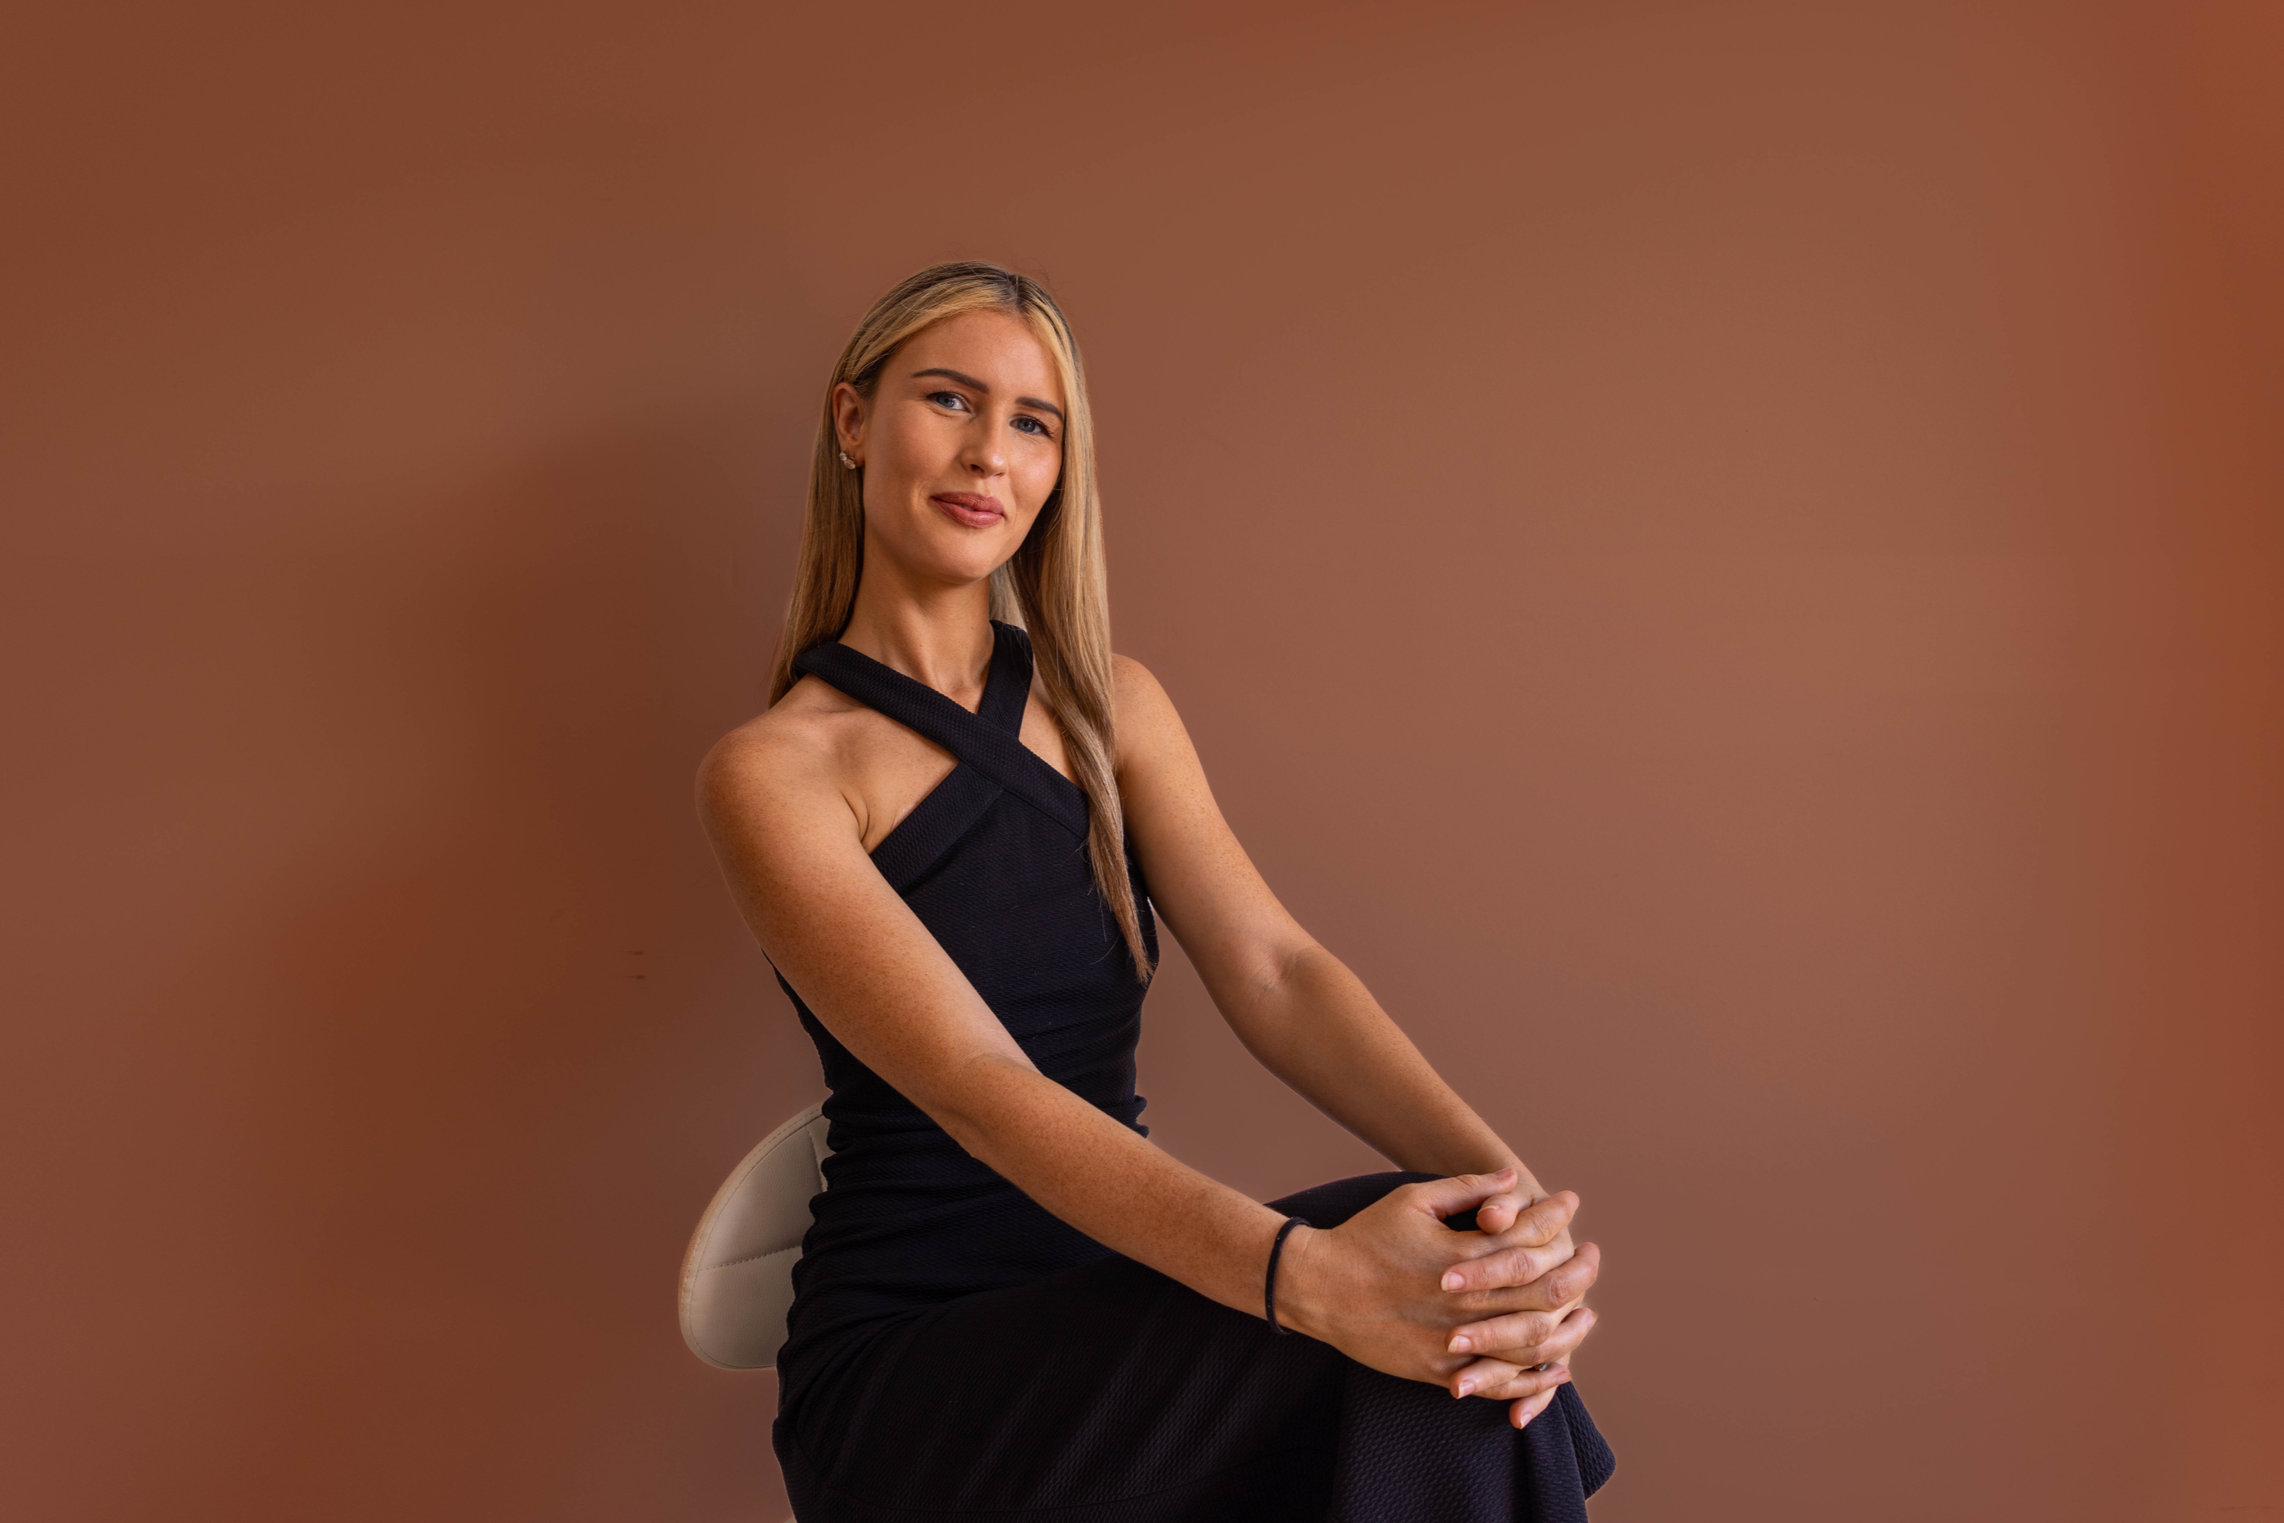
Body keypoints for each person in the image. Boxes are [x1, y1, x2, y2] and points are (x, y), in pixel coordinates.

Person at [697, 261, 1614, 1522]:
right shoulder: (774, 772)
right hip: (917, 1374)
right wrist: (1307, 1279)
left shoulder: (1110, 709)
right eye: (950, 399)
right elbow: (980, 1084)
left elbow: (1276, 971)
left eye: (1033, 423)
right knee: (1405, 1286)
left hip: (1126, 1305)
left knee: (1448, 1266)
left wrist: (1515, 1215)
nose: (989, 453)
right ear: (854, 421)